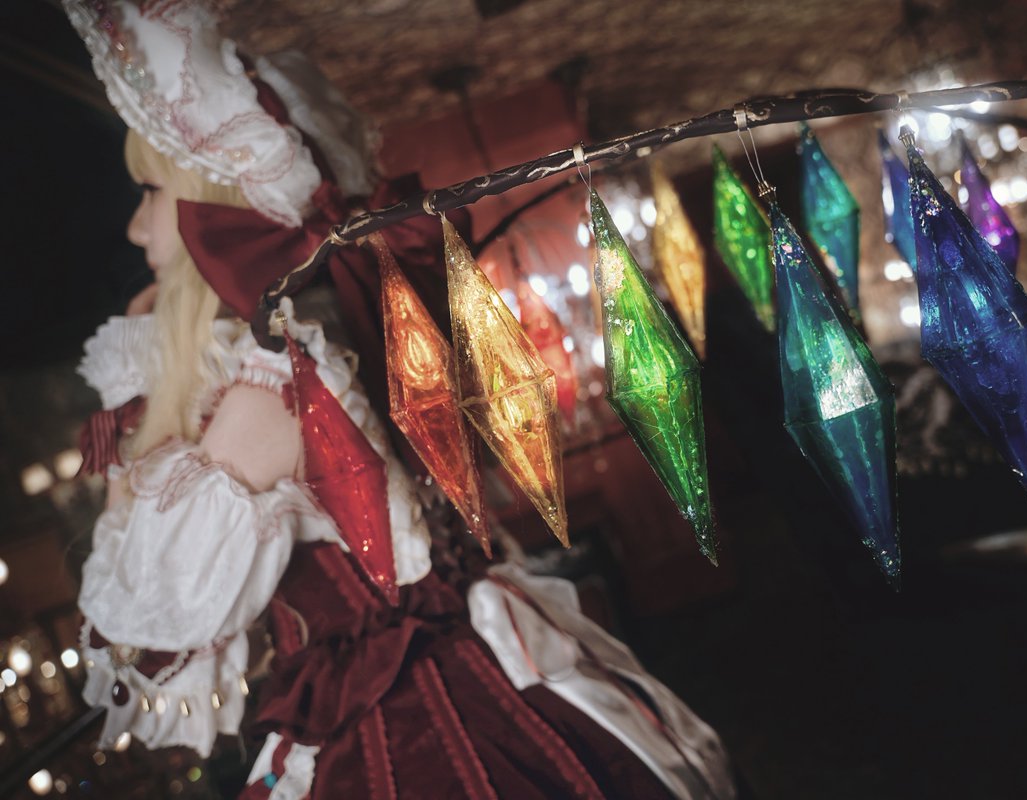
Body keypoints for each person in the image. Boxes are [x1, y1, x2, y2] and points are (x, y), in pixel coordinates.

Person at [65, 1, 736, 798]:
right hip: (484, 660)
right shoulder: (319, 344)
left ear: (213, 203)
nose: (137, 228)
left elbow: (146, 624)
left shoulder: (272, 387)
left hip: (415, 713)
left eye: (149, 191)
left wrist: (138, 410)